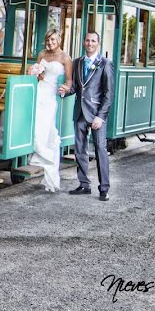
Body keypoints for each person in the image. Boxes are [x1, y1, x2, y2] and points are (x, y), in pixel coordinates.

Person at [58, 31, 114, 201]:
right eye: (87, 40)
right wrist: (65, 91)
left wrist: (101, 116)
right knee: (80, 150)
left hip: (97, 114)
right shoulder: (77, 62)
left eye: (93, 41)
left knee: (100, 150)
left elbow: (108, 94)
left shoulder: (105, 64)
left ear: (98, 43)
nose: (89, 43)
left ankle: (104, 188)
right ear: (84, 42)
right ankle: (84, 184)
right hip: (80, 112)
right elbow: (76, 88)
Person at [27, 29, 73, 192]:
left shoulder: (65, 58)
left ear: (59, 39)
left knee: (46, 133)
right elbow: (39, 76)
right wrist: (35, 72)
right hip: (38, 92)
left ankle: (49, 170)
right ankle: (49, 174)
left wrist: (65, 88)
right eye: (48, 40)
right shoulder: (42, 54)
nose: (50, 43)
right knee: (36, 130)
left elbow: (69, 80)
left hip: (50, 97)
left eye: (53, 39)